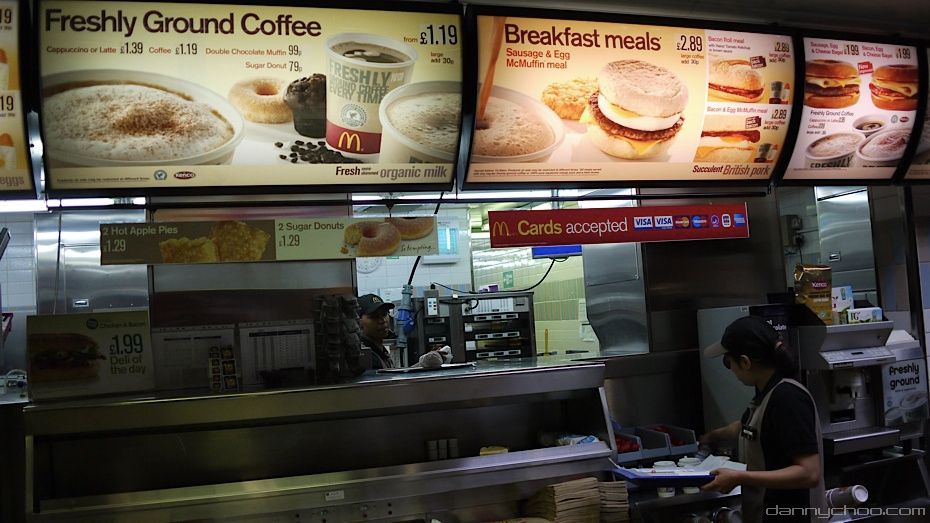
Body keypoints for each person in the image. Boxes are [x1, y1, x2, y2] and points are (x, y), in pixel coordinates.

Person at [700, 315, 826, 522]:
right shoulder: (767, 392)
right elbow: (748, 427)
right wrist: (710, 437)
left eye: (728, 362)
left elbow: (809, 473)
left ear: (745, 362)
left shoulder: (788, 398)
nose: (730, 370)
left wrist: (738, 477)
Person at [357, 293, 396, 370]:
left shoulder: (379, 350)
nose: (382, 320)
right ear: (358, 322)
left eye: (384, 314)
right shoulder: (367, 356)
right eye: (374, 317)